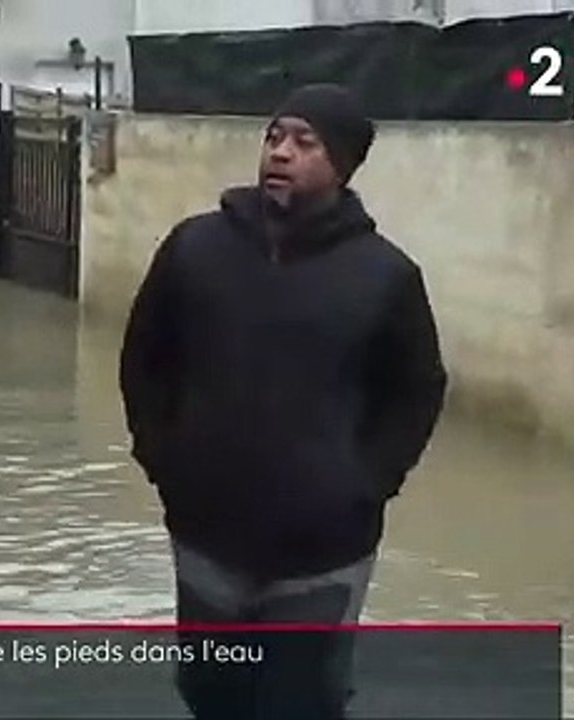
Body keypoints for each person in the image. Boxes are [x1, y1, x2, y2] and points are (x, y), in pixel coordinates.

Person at [119, 84, 448, 718]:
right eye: (275, 137)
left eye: (305, 142)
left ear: (343, 164)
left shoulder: (386, 275)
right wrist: (164, 457)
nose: (281, 152)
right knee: (209, 689)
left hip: (324, 549)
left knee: (300, 698)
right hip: (206, 529)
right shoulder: (194, 249)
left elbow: (417, 390)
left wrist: (367, 481)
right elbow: (145, 359)